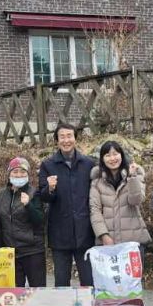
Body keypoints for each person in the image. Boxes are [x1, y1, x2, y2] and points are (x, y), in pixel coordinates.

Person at [38, 122, 95, 287]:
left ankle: (88, 305)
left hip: (85, 231)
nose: (66, 140)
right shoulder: (48, 165)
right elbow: (43, 197)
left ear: (75, 139)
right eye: (62, 137)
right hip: (60, 232)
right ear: (56, 141)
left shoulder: (88, 164)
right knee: (61, 281)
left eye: (69, 136)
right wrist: (50, 188)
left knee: (88, 281)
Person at [89, 141, 151, 264]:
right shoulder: (97, 182)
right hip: (108, 243)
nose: (112, 158)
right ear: (102, 159)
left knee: (133, 276)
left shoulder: (135, 174)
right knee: (110, 276)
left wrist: (132, 177)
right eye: (108, 155)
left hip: (133, 242)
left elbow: (136, 201)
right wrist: (104, 236)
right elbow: (95, 210)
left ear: (121, 155)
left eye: (115, 154)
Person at [0, 157, 46, 287]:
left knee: (38, 290)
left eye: (22, 172)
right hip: (10, 252)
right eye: (15, 171)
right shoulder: (1, 195)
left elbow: (40, 221)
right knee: (14, 292)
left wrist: (28, 205)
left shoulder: (34, 193)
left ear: (28, 174)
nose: (19, 175)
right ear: (9, 174)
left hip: (32, 250)